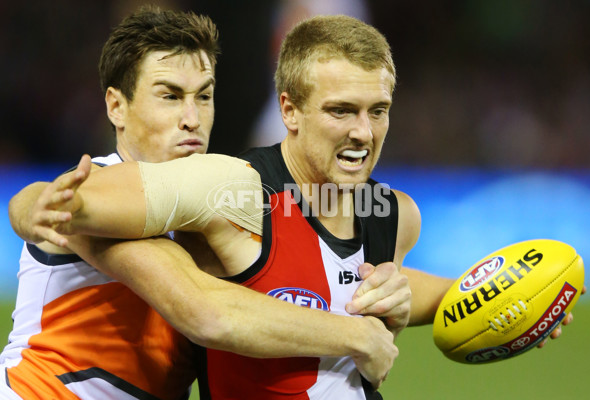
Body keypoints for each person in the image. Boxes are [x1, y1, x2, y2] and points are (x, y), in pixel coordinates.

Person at [1, 8, 408, 400]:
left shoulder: (209, 204)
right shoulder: (108, 200)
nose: (192, 118)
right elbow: (209, 313)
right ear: (116, 106)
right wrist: (356, 336)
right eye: (171, 96)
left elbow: (300, 277)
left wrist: (393, 289)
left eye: (205, 96)